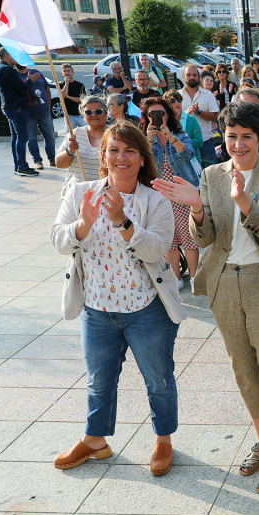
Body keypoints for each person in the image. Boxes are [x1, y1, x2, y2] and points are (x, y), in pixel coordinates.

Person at [152, 101, 259, 494]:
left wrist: (244, 202)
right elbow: (204, 239)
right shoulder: (210, 174)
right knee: (242, 367)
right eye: (231, 136)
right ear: (223, 138)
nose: (238, 144)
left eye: (247, 136)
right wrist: (195, 208)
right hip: (224, 281)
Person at [50, 122, 185, 476]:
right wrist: (83, 223)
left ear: (142, 158)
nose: (120, 157)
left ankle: (163, 439)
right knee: (98, 379)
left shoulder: (155, 200)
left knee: (158, 379)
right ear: (103, 156)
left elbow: (158, 248)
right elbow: (58, 239)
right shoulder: (81, 191)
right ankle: (95, 439)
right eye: (114, 150)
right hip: (97, 308)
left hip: (146, 309)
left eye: (129, 151)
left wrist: (122, 221)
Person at [140, 97, 200, 290]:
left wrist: (171, 138)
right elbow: (142, 162)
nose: (157, 118)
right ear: (146, 117)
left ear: (167, 115)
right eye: (151, 114)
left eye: (160, 113)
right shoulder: (145, 137)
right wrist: (149, 139)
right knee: (168, 240)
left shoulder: (179, 134)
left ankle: (194, 276)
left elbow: (189, 154)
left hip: (181, 191)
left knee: (188, 237)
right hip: (159, 194)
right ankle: (176, 278)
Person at [54, 96, 107, 197]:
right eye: (88, 112)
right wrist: (69, 151)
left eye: (98, 111)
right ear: (83, 114)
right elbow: (60, 164)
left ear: (106, 112)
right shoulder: (74, 134)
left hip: (104, 194)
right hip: (76, 194)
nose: (94, 115)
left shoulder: (114, 135)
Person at [179, 64, 220, 168]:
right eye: (188, 75)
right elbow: (172, 118)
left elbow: (214, 117)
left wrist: (199, 112)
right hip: (183, 143)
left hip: (205, 142)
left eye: (194, 75)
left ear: (198, 77)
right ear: (183, 77)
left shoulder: (208, 95)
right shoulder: (177, 95)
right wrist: (186, 113)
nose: (192, 77)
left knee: (212, 174)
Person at [18, 64, 56, 171]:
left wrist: (48, 106)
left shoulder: (36, 71)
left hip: (44, 112)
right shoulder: (15, 76)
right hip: (28, 114)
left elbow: (47, 89)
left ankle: (52, 158)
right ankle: (37, 160)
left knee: (50, 136)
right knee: (31, 139)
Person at [60, 63, 87, 127]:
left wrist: (68, 96)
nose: (67, 73)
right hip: (69, 115)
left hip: (80, 114)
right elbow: (62, 97)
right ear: (62, 73)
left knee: (85, 132)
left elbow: (82, 100)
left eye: (68, 71)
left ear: (72, 72)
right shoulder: (61, 85)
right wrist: (66, 84)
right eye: (65, 71)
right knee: (70, 135)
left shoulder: (80, 85)